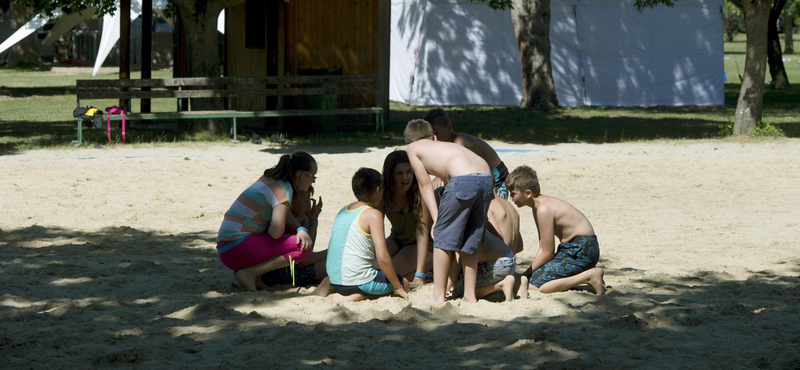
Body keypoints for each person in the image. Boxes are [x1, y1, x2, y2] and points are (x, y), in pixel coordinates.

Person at [405, 119, 494, 303]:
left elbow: (425, 185)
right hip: (486, 178)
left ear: (409, 141)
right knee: (470, 239)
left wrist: (437, 219)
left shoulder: (413, 148)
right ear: (434, 137)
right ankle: (470, 295)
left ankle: (438, 295)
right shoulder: (445, 146)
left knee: (442, 238)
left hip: (462, 179)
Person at [216, 151, 317, 292]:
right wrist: (302, 230)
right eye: (313, 176)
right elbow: (275, 232)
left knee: (295, 236)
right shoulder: (283, 188)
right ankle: (250, 273)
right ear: (301, 175)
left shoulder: (270, 179)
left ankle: (256, 277)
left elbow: (286, 216)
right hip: (236, 247)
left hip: (226, 247)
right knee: (303, 246)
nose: (313, 181)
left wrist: (301, 229)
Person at [506, 165, 605, 297]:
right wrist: (530, 273)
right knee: (532, 279)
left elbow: (548, 252)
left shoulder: (544, 209)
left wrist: (525, 274)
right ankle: (583, 276)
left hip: (580, 250)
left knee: (535, 286)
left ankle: (589, 276)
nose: (511, 198)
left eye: (513, 194)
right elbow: (542, 247)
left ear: (528, 193)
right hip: (577, 248)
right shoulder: (538, 206)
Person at [314, 168, 410, 302]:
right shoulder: (373, 214)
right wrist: (398, 287)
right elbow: (382, 257)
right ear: (378, 190)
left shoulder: (344, 210)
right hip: (358, 282)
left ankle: (329, 284)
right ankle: (358, 296)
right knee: (405, 283)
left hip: (335, 278)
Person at [424, 108, 509, 199]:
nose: (435, 139)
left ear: (449, 127)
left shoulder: (460, 141)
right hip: (482, 177)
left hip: (498, 178)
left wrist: (439, 177)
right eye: (432, 136)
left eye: (437, 133)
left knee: (493, 208)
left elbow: (452, 164)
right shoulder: (443, 143)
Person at [380, 150, 433, 286]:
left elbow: (422, 232)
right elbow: (377, 226)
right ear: (390, 176)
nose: (405, 178)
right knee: (371, 266)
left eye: (409, 172)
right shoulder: (384, 193)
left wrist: (419, 273)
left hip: (424, 244)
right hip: (397, 239)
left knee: (388, 274)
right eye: (399, 173)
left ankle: (426, 268)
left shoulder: (420, 193)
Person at [260, 186, 327, 287]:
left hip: (292, 268)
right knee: (330, 264)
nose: (308, 206)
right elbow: (303, 261)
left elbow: (308, 249)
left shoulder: (302, 219)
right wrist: (330, 252)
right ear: (292, 202)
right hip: (276, 275)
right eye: (306, 201)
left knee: (330, 263)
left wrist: (313, 220)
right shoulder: (283, 222)